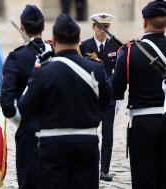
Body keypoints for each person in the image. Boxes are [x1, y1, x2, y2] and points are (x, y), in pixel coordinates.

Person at [18, 14, 112, 189]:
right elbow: (107, 101)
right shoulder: (96, 69)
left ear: (53, 40)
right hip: (87, 142)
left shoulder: (43, 71)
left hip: (53, 144)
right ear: (79, 39)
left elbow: (25, 107)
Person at [112, 1, 166, 189]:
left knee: (144, 178)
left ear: (144, 22)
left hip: (143, 124)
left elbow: (116, 90)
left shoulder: (129, 52)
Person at [0, 5, 52, 189]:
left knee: (28, 180)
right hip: (56, 127)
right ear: (43, 27)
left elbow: (6, 104)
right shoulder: (56, 53)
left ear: (22, 27)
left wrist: (21, 120)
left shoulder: (16, 58)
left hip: (29, 130)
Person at [80, 13, 119, 181]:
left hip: (109, 97)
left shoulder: (116, 46)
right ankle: (88, 167)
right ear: (93, 27)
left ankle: (104, 169)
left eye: (106, 27)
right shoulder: (84, 46)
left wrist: (118, 96)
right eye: (99, 27)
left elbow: (119, 72)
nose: (102, 31)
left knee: (108, 133)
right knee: (89, 132)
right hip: (90, 96)